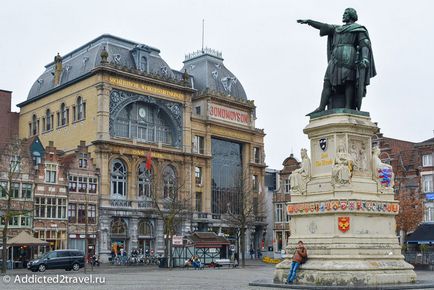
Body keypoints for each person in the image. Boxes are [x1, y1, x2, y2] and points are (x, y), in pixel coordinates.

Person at [298, 8, 376, 113]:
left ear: (352, 15)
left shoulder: (358, 29)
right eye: (344, 13)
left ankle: (348, 106)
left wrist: (365, 58)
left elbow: (364, 44)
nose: (343, 15)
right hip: (335, 57)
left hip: (349, 55)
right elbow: (323, 26)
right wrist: (309, 22)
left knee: (349, 81)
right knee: (327, 81)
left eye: (346, 13)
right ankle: (321, 107)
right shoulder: (337, 28)